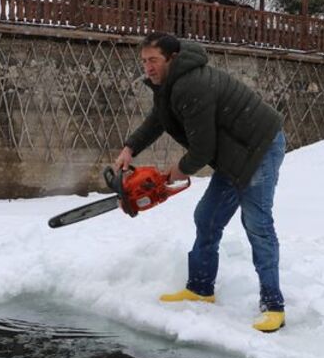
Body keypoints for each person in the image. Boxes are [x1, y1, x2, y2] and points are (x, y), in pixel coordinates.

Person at [114, 32, 287, 333]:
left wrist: (174, 172)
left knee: (257, 223)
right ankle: (200, 288)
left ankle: (273, 306)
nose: (148, 68)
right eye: (144, 61)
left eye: (153, 60)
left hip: (259, 147)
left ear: (172, 58)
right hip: (233, 152)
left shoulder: (192, 85)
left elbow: (202, 150)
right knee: (206, 217)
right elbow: (159, 119)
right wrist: (130, 148)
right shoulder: (168, 86)